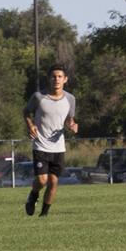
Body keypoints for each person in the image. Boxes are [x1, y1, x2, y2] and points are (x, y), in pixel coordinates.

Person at [23, 64, 78, 217]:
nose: (56, 79)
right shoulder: (39, 97)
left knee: (53, 182)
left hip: (58, 147)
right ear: (49, 79)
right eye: (53, 76)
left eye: (60, 76)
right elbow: (26, 112)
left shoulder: (70, 99)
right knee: (42, 180)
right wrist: (31, 125)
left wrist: (72, 126)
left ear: (65, 79)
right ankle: (33, 195)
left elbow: (69, 119)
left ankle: (44, 214)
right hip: (41, 144)